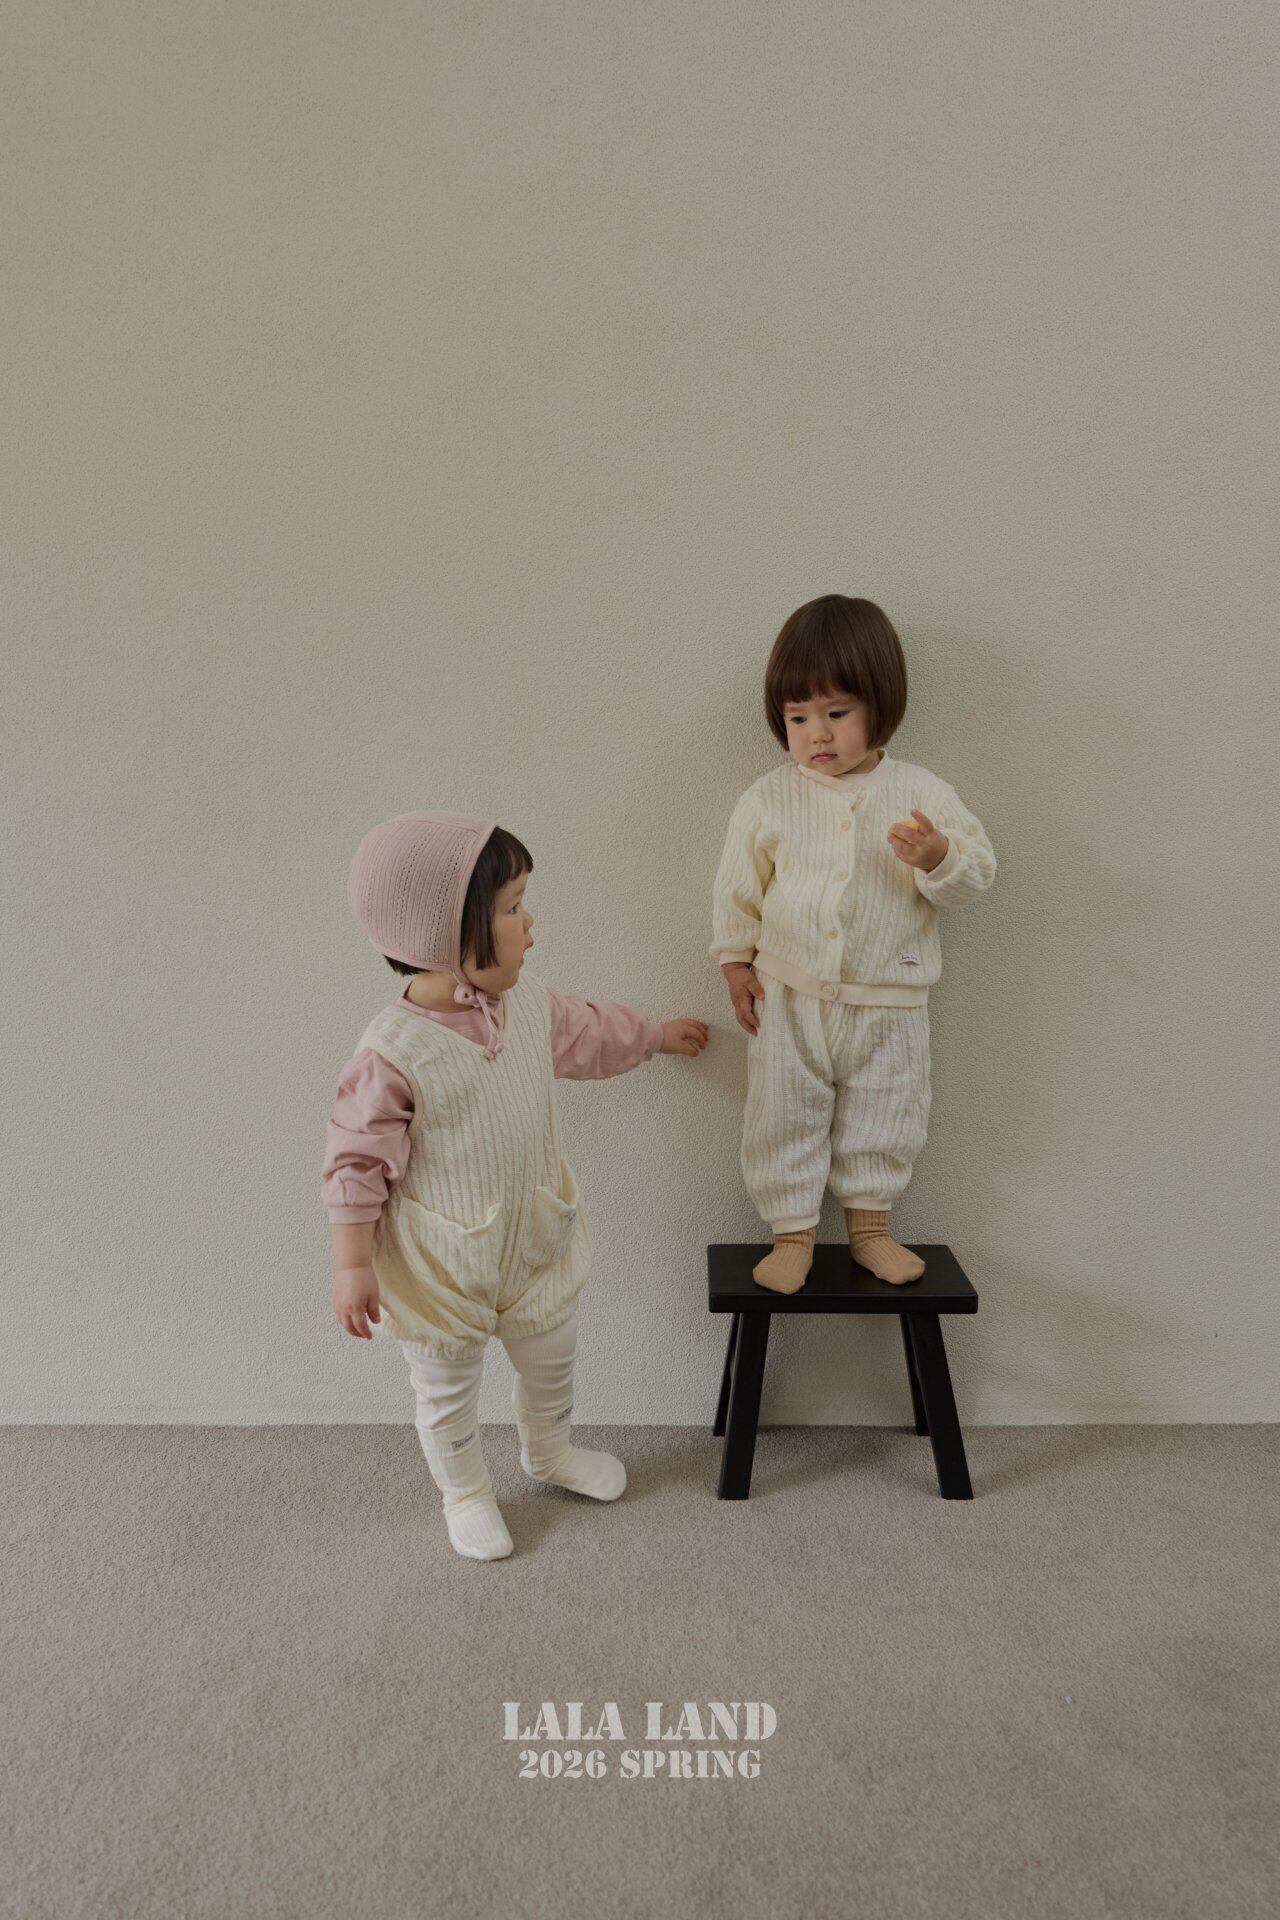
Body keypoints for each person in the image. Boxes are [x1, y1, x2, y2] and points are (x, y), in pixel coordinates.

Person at [325, 811, 708, 1561]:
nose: (530, 925)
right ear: (445, 936)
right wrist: (352, 1263)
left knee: (553, 1354)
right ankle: (465, 1492)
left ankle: (549, 1450)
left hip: (534, 1238)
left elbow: (589, 1033)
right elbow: (355, 1163)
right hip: (441, 1264)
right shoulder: (393, 1053)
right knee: (447, 1389)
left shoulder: (527, 1006)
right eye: (511, 908)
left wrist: (654, 1036)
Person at [710, 595, 996, 1295]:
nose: (817, 734)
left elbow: (977, 874)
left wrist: (936, 856)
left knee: (888, 1110)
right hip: (790, 994)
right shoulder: (769, 798)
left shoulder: (921, 792)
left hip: (890, 999)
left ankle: (871, 1232)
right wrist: (735, 962)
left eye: (836, 713)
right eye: (798, 718)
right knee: (781, 1112)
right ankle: (792, 1236)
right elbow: (737, 888)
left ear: (879, 704)